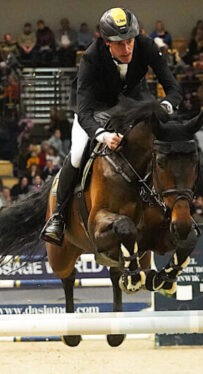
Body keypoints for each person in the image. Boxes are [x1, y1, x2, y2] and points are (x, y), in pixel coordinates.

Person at [41, 8, 182, 245]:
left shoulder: (146, 46)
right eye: (120, 44)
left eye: (129, 42)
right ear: (107, 43)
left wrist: (166, 106)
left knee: (169, 144)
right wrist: (102, 135)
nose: (127, 49)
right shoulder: (91, 57)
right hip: (96, 110)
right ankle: (58, 217)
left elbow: (174, 88)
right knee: (76, 154)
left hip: (135, 106)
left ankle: (177, 207)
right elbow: (84, 112)